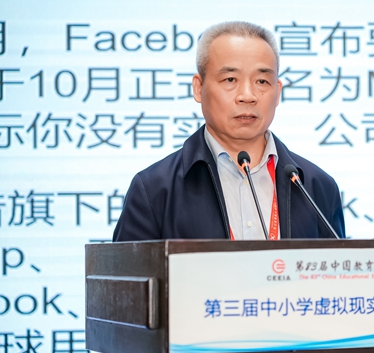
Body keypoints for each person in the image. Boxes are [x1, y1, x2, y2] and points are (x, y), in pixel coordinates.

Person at [113, 21, 345, 241]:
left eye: (262, 81)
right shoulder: (154, 189)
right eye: (230, 79)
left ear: (278, 92)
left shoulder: (317, 188)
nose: (247, 96)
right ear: (199, 88)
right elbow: (128, 271)